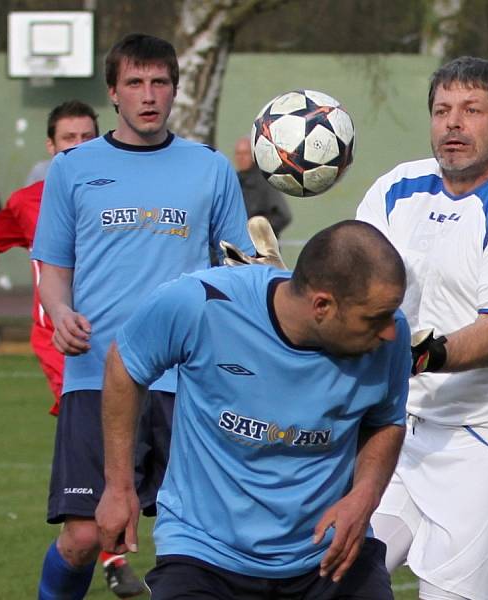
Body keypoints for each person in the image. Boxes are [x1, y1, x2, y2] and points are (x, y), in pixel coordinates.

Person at [30, 33, 254, 600]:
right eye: (135, 83)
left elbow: (237, 270)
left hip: (189, 379)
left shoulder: (209, 168)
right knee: (86, 535)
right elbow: (54, 266)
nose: (148, 95)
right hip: (97, 373)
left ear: (175, 90)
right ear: (113, 92)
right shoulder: (73, 168)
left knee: (197, 536)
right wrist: (59, 311)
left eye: (159, 82)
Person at [96, 220, 411, 600]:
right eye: (374, 319)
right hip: (205, 554)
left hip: (328, 556)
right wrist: (118, 486)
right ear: (322, 306)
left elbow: (385, 421)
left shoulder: (391, 334)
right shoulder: (202, 302)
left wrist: (365, 495)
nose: (389, 332)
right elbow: (126, 363)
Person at [356, 56, 488, 600]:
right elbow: (350, 288)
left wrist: (415, 355)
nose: (453, 123)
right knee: (338, 569)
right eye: (442, 110)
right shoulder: (395, 189)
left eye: (472, 110)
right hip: (402, 425)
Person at [0, 100, 99, 417]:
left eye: (88, 137)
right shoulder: (26, 202)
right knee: (85, 420)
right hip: (57, 338)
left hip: (115, 329)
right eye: (69, 138)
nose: (79, 146)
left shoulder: (123, 198)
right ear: (51, 145)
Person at [233, 135, 293, 237]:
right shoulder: (234, 181)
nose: (241, 158)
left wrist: (256, 229)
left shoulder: (265, 181)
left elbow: (283, 216)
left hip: (261, 246)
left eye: (245, 153)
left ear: (253, 155)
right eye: (238, 154)